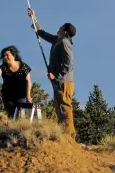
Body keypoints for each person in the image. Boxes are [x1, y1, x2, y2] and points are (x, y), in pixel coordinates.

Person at [27, 8, 76, 139]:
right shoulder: (57, 40)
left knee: (65, 107)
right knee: (58, 105)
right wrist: (34, 18)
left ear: (65, 31)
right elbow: (42, 33)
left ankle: (70, 137)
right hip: (57, 81)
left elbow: (68, 63)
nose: (58, 28)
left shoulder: (65, 43)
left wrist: (57, 76)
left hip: (64, 81)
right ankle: (64, 133)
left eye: (61, 27)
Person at [0, 45, 33, 118]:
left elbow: (28, 81)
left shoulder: (23, 66)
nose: (5, 57)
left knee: (22, 116)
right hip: (8, 97)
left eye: (7, 55)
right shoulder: (3, 67)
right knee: (11, 116)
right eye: (4, 55)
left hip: (22, 96)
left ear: (13, 55)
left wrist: (28, 96)